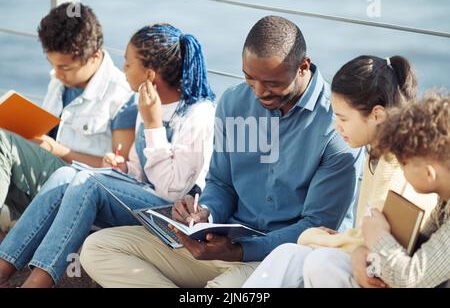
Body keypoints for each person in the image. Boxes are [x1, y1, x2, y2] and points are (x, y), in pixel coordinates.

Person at [79, 15, 364, 288]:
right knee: (99, 248)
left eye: (273, 83)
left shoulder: (337, 125)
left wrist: (239, 250)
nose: (259, 92)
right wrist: (205, 214)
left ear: (303, 66)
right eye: (250, 78)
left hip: (278, 260)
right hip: (221, 246)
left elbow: (316, 229)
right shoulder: (233, 103)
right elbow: (220, 183)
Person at [0, 23, 216, 287]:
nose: (123, 69)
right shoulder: (145, 104)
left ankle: (37, 282)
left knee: (87, 182)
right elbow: (140, 173)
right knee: (65, 174)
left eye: (127, 63)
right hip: (141, 201)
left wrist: (153, 125)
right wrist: (121, 168)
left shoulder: (198, 115)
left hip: (169, 215)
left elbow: (174, 191)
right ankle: (4, 265)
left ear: (149, 74)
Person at [243, 55, 437, 288]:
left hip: (387, 275)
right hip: (370, 260)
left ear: (377, 115)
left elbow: (381, 246)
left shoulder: (400, 166)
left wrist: (314, 237)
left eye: (343, 118)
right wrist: (334, 240)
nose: (337, 126)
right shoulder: (374, 154)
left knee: (321, 260)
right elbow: (364, 236)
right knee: (289, 255)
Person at [0, 3, 137, 232]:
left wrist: (59, 151)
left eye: (65, 67)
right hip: (44, 178)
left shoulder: (122, 97)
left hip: (78, 189)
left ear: (94, 57)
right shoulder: (61, 79)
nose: (57, 73)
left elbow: (122, 175)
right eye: (52, 64)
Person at [303, 93, 450, 288]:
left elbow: (410, 277)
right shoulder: (444, 202)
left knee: (324, 265)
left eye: (403, 163)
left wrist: (378, 236)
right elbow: (417, 249)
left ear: (429, 173)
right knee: (324, 264)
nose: (401, 170)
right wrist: (361, 253)